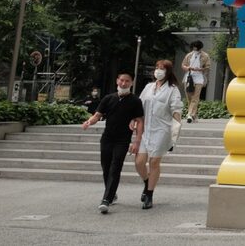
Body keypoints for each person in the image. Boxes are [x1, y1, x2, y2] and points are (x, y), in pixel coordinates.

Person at [81, 72, 144, 214]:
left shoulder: (135, 101)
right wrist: (89, 122)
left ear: (131, 83)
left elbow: (139, 121)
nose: (124, 83)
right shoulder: (109, 98)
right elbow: (98, 115)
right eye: (121, 80)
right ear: (117, 81)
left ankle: (106, 199)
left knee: (115, 167)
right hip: (107, 138)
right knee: (106, 167)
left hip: (123, 140)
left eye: (127, 81)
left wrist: (137, 141)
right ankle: (111, 193)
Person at [135, 60, 184, 210]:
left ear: (168, 71)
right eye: (157, 68)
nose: (158, 71)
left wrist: (176, 129)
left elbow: (176, 109)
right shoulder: (148, 87)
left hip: (162, 129)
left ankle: (149, 194)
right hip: (146, 128)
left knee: (154, 161)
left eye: (162, 68)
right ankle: (147, 181)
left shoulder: (172, 89)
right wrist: (134, 120)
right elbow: (139, 105)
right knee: (139, 162)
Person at [181, 40, 211, 123]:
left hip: (199, 78)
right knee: (189, 97)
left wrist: (201, 69)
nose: (195, 49)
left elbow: (208, 67)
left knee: (195, 97)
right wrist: (188, 68)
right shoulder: (189, 55)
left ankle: (189, 114)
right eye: (194, 47)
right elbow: (183, 65)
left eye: (196, 48)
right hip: (189, 77)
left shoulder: (205, 56)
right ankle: (194, 115)